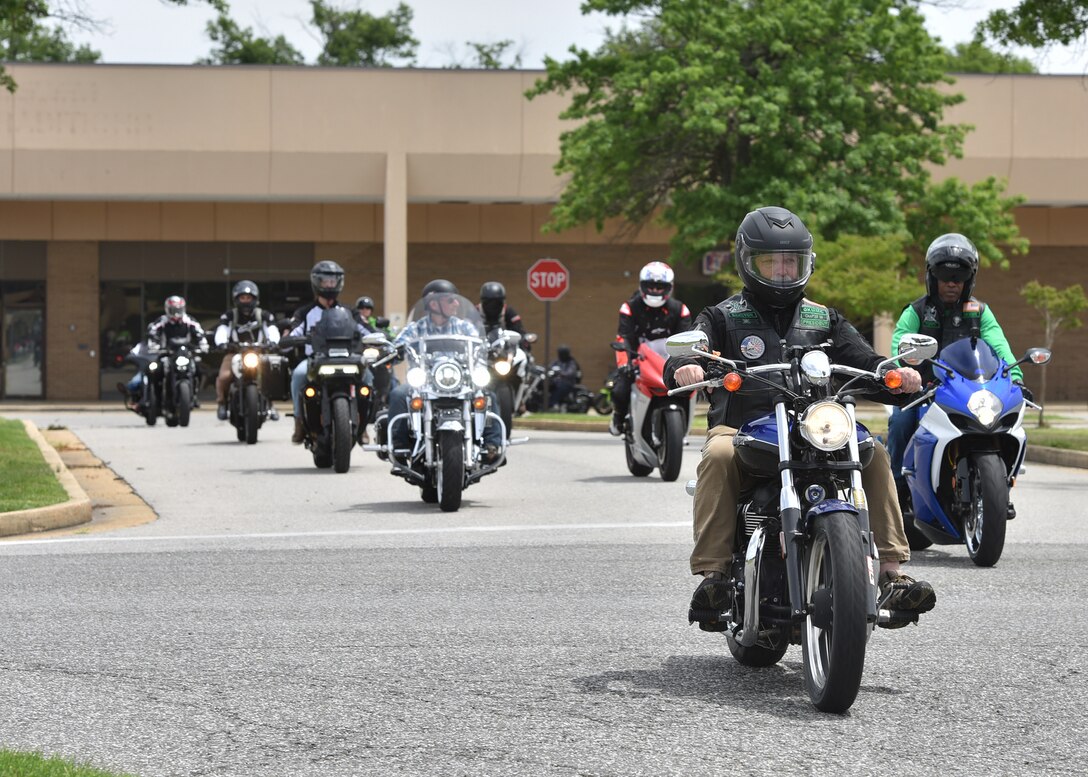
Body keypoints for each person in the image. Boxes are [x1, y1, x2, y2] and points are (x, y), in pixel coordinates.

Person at [664, 206, 936, 629]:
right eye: (771, 263)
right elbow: (688, 351)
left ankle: (890, 575)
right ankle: (714, 576)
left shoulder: (824, 318)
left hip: (817, 427)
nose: (782, 272)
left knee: (875, 452)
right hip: (743, 428)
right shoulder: (722, 316)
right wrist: (688, 366)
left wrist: (894, 374)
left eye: (791, 262)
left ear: (806, 264)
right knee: (717, 454)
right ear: (747, 262)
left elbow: (866, 360)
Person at [887, 233, 1026, 515]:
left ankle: (1000, 488)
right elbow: (899, 345)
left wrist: (1017, 376)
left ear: (969, 279)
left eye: (959, 277)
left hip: (968, 389)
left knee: (1002, 422)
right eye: (944, 276)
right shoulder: (917, 311)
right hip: (922, 389)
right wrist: (905, 374)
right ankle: (898, 491)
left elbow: (998, 344)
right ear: (932, 276)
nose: (952, 283)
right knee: (902, 423)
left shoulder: (980, 312)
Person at [386, 279, 503, 461]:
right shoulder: (416, 328)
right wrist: (392, 350)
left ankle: (492, 445)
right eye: (450, 300)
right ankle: (399, 448)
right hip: (424, 382)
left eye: (456, 299)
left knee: (488, 396)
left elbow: (481, 346)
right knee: (399, 395)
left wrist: (491, 348)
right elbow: (397, 345)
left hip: (460, 381)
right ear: (434, 304)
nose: (456, 303)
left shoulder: (464, 327)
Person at [285, 261, 373, 444]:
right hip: (315, 359)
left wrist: (379, 339)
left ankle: (362, 424)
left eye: (333, 281)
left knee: (368, 377)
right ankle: (299, 421)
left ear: (339, 282)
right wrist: (287, 339)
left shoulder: (350, 311)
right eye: (325, 281)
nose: (329, 285)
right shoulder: (305, 312)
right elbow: (293, 332)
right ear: (317, 282)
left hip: (347, 358)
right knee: (299, 375)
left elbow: (366, 330)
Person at [610, 261, 692, 436]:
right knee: (619, 389)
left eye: (659, 287)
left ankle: (686, 423)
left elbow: (686, 339)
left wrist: (690, 362)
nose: (654, 290)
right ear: (642, 286)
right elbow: (624, 337)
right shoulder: (629, 308)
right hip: (637, 360)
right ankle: (618, 417)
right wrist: (625, 363)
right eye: (650, 286)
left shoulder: (680, 310)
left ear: (669, 287)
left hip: (668, 362)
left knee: (692, 385)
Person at [117, 295, 208, 407]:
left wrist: (203, 345)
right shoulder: (161, 321)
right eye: (173, 310)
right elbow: (152, 333)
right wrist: (154, 346)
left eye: (178, 310)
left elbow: (200, 333)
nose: (175, 313)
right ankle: (155, 396)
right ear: (167, 309)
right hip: (166, 354)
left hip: (185, 354)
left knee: (197, 368)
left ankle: (194, 394)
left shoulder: (189, 321)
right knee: (156, 371)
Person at [212, 279, 281, 421]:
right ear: (236, 299)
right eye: (242, 298)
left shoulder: (264, 315)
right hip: (234, 353)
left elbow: (272, 330)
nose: (245, 301)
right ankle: (222, 403)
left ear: (255, 299)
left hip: (260, 353)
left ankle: (271, 404)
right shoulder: (230, 315)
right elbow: (222, 330)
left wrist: (274, 342)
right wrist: (222, 343)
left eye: (248, 298)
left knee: (272, 375)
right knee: (224, 376)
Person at [477, 281, 530, 350]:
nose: (492, 306)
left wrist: (523, 341)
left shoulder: (508, 312)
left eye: (497, 303)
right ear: (482, 301)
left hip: (505, 351)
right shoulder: (475, 312)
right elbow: (466, 331)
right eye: (488, 303)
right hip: (480, 350)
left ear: (502, 302)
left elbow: (519, 331)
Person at [548, 345, 581, 409]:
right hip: (556, 381)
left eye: (562, 354)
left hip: (568, 383)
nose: (560, 355)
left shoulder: (571, 362)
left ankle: (553, 404)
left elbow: (571, 372)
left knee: (560, 388)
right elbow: (550, 367)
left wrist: (562, 373)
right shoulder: (557, 361)